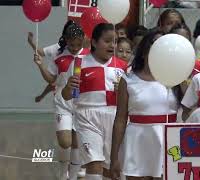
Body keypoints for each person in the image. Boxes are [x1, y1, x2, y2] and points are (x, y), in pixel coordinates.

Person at [110, 29, 179, 180]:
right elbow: (120, 120)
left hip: (169, 142)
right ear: (144, 51)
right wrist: (114, 157)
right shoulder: (128, 80)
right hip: (137, 142)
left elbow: (190, 110)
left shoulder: (177, 80)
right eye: (155, 44)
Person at [62, 23, 127, 180]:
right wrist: (69, 87)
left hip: (115, 119)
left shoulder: (123, 67)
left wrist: (124, 92)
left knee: (112, 169)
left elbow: (130, 101)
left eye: (115, 41)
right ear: (94, 42)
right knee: (94, 164)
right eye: (107, 41)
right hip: (87, 118)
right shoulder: (79, 63)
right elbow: (65, 95)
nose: (113, 45)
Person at [33, 22, 89, 180]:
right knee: (66, 142)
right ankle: (63, 170)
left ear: (83, 40)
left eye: (78, 44)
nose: (75, 47)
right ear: (66, 40)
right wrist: (40, 65)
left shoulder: (89, 56)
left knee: (77, 144)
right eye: (72, 44)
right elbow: (51, 79)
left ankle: (71, 177)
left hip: (81, 106)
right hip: (63, 105)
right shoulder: (59, 56)